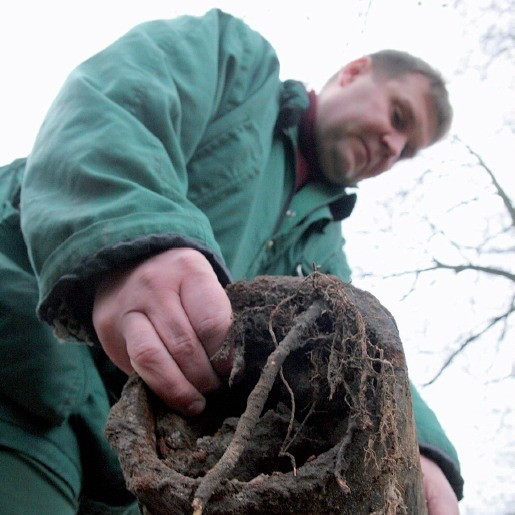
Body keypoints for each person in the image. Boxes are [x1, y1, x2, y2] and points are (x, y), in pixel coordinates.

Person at [0, 8, 463, 514]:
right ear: (353, 72)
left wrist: (421, 444)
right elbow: (112, 107)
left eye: (407, 150)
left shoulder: (321, 250)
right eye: (399, 118)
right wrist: (134, 242)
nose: (393, 147)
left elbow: (361, 348)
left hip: (133, 463)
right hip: (26, 350)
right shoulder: (236, 64)